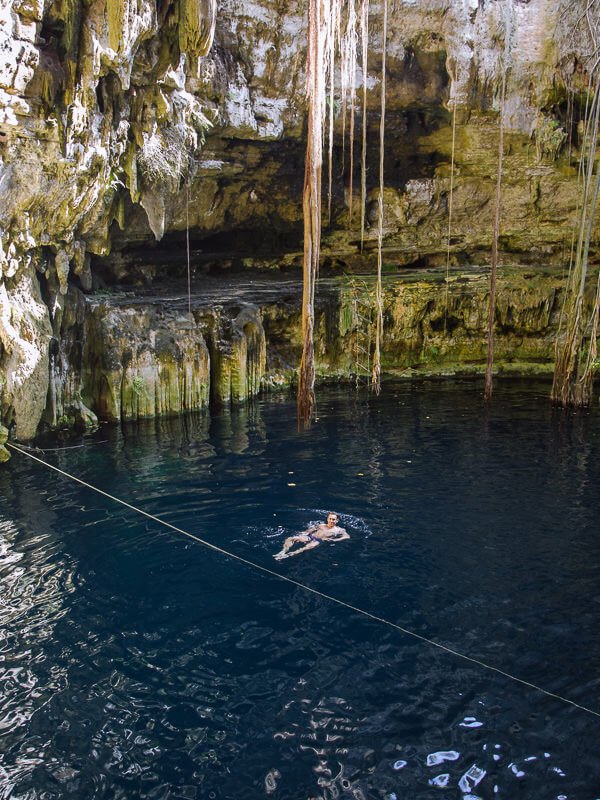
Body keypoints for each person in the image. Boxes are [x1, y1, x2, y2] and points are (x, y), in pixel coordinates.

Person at [274, 512, 349, 559]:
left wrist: (335, 540)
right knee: (291, 538)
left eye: (333, 519)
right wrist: (304, 533)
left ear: (337, 520)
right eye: (330, 519)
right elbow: (311, 529)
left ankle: (288, 555)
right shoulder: (321, 525)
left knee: (306, 548)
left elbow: (347, 536)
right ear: (327, 519)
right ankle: (283, 551)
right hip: (310, 537)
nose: (331, 521)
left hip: (318, 541)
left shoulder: (339, 530)